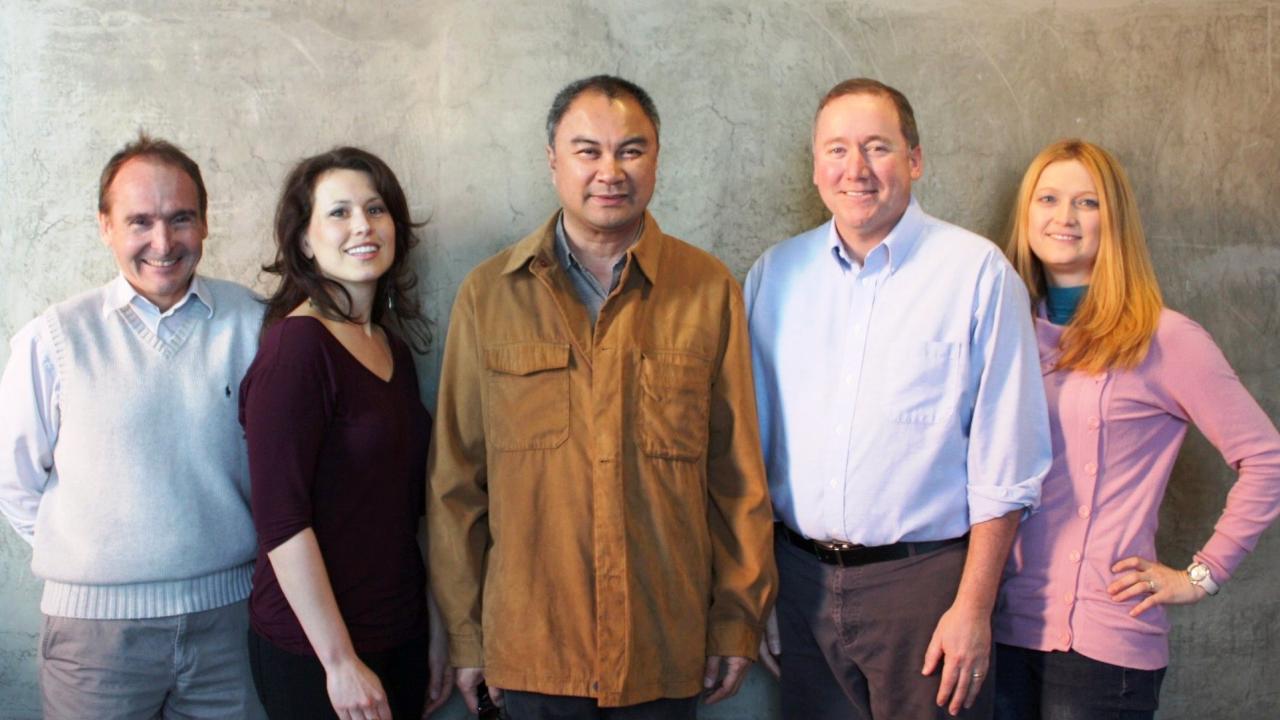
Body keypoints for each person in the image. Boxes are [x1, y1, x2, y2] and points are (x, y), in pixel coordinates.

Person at [428, 74, 776, 719]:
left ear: (658, 159)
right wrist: (468, 635)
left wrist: (737, 619)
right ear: (553, 161)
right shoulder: (489, 295)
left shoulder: (707, 290)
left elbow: (737, 477)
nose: (609, 171)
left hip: (665, 647)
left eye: (631, 150)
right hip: (532, 648)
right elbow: (456, 483)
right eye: (587, 150)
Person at [744, 78, 1051, 719]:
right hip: (801, 585)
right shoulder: (775, 276)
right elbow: (753, 451)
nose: (855, 169)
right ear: (815, 166)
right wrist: (765, 591)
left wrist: (972, 608)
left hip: (927, 590)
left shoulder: (976, 274)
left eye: (877, 147)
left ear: (914, 159)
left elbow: (1008, 465)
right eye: (837, 149)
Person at [993, 138, 1280, 719]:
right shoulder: (1005, 334)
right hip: (995, 630)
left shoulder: (1164, 338)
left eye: (1087, 202)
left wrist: (1201, 576)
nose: (1064, 217)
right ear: (1025, 217)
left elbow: (1267, 459)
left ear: (1115, 221)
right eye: (1047, 198)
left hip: (1102, 648)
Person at [0, 134, 267, 718]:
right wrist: (98, 563)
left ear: (204, 223)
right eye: (139, 221)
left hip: (232, 627)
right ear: (105, 226)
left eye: (180, 219)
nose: (163, 242)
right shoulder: (54, 339)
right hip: (94, 643)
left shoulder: (255, 324)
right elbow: (14, 483)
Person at [239, 146, 450, 720]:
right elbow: (282, 523)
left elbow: (414, 511)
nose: (363, 225)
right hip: (316, 655)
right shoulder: (296, 350)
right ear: (304, 240)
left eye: (376, 209)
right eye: (339, 212)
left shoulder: (393, 351)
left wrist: (436, 625)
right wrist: (339, 662)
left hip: (398, 633)